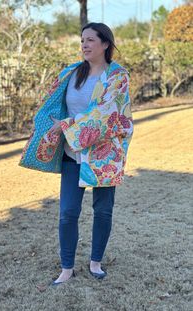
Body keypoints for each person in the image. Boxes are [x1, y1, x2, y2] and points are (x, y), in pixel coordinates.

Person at [19, 22, 133, 285]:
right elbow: (54, 105)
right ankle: (67, 268)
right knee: (68, 212)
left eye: (91, 40)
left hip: (104, 156)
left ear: (105, 44)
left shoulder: (118, 77)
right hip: (72, 153)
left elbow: (108, 115)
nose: (84, 45)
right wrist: (50, 126)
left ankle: (95, 263)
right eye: (82, 40)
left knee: (103, 211)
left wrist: (68, 125)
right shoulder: (71, 73)